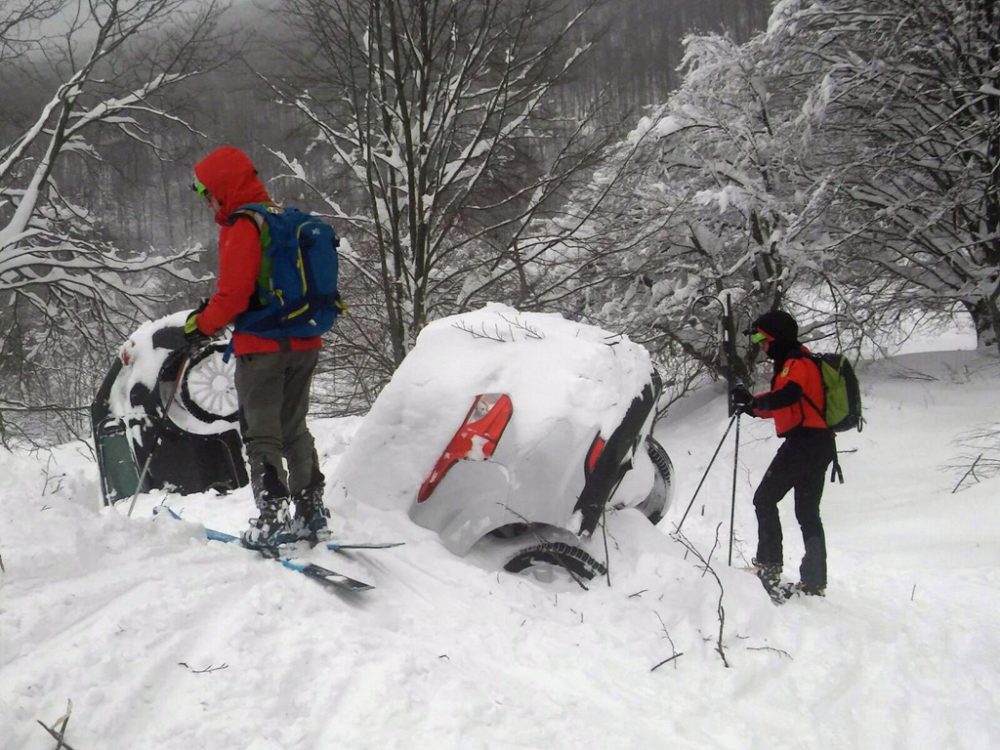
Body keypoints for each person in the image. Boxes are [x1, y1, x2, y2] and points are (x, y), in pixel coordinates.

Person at [184, 145, 330, 549]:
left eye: (207, 193)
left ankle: (272, 519)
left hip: (261, 348)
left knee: (261, 434)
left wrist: (200, 325)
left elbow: (233, 296)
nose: (207, 202)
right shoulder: (283, 219)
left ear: (223, 187)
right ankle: (311, 513)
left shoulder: (243, 225)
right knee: (294, 427)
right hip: (305, 342)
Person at [730, 310, 835, 596]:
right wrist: (753, 407)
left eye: (763, 339)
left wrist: (753, 402)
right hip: (818, 443)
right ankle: (814, 581)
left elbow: (788, 396)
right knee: (807, 512)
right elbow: (788, 404)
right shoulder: (797, 360)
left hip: (805, 444)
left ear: (776, 338)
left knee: (764, 499)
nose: (761, 345)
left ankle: (769, 565)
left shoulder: (796, 363)